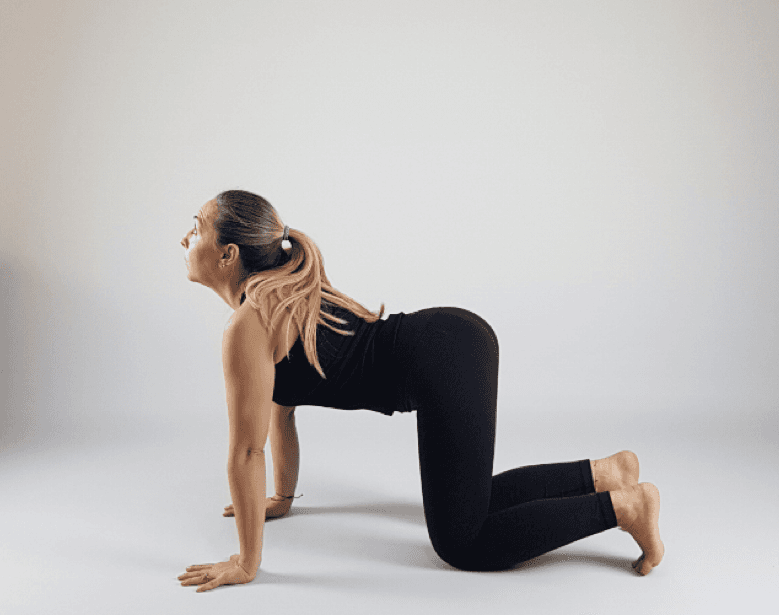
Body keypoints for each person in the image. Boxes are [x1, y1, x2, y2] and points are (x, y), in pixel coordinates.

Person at [177, 189, 664, 592]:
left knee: (463, 542)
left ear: (228, 254)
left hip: (442, 361)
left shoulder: (249, 322)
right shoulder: (279, 292)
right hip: (454, 339)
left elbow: (245, 450)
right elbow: (281, 411)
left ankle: (625, 507)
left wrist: (246, 561)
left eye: (196, 227)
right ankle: (607, 472)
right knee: (475, 504)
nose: (184, 237)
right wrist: (282, 497)